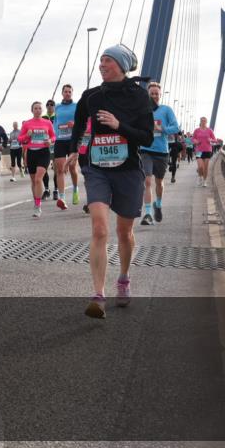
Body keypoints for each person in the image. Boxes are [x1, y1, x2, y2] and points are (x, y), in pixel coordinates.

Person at [74, 44, 154, 319]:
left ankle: (123, 278)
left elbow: (146, 138)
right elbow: (77, 125)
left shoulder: (139, 97)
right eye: (100, 60)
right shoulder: (91, 96)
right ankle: (98, 295)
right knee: (99, 228)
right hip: (97, 169)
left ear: (120, 65)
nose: (101, 64)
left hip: (129, 169)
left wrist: (119, 126)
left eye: (106, 60)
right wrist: (75, 152)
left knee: (124, 232)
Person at [139, 82, 180, 225]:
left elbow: (176, 127)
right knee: (147, 181)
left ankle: (159, 204)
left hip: (162, 151)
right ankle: (148, 214)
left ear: (160, 95)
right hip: (146, 150)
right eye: (152, 94)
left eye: (157, 94)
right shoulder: (142, 111)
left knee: (159, 183)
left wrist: (162, 129)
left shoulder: (166, 110)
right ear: (148, 95)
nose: (155, 96)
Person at [17, 101, 56, 218]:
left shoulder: (47, 122)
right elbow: (20, 139)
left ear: (42, 110)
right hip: (31, 153)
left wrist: (50, 141)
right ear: (32, 110)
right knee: (34, 181)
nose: (38, 110)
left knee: (39, 179)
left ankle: (38, 206)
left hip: (43, 152)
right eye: (35, 108)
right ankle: (36, 202)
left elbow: (53, 136)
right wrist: (27, 136)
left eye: (40, 108)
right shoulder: (27, 124)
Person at [52, 84, 81, 210]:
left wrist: (74, 124)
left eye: (70, 91)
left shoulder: (76, 106)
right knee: (60, 170)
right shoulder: (57, 107)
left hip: (72, 140)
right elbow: (55, 123)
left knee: (72, 167)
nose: (67, 93)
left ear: (72, 93)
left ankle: (75, 189)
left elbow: (81, 121)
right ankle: (62, 198)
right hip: (60, 140)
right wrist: (54, 136)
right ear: (62, 93)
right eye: (65, 91)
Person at [192, 117, 217, 187]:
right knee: (200, 167)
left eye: (204, 121)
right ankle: (200, 177)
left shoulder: (209, 130)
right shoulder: (196, 130)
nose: (203, 122)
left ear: (206, 122)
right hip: (199, 150)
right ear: (200, 122)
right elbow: (193, 138)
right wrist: (195, 141)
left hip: (207, 150)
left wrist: (211, 140)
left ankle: (205, 181)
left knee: (205, 167)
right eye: (202, 121)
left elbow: (215, 139)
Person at [42, 99, 58, 201]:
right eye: (48, 105)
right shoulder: (43, 117)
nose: (49, 106)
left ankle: (56, 190)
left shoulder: (57, 116)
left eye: (52, 105)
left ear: (54, 106)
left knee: (56, 168)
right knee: (43, 168)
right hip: (45, 144)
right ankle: (46, 189)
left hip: (56, 144)